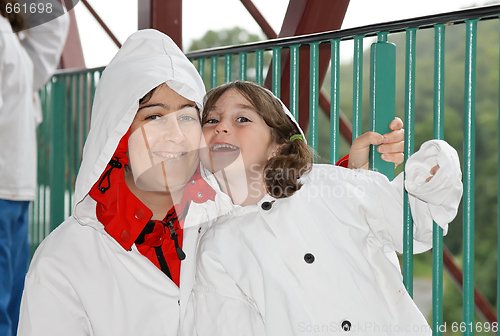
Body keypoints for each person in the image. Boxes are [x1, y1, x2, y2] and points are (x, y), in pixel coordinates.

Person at [17, 29, 404, 335]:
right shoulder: (63, 262)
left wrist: (347, 174)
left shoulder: (218, 207)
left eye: (188, 117)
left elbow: (279, 205)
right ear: (116, 137)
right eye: (153, 117)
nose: (175, 134)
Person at [184, 81, 463, 336]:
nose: (221, 127)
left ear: (279, 144)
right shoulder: (215, 247)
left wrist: (429, 177)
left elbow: (413, 226)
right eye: (211, 119)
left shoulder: (331, 184)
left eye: (242, 119)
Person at [0, 2, 68, 335]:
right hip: (14, 183)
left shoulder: (10, 40)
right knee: (10, 300)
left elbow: (51, 20)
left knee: (9, 300)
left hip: (11, 185)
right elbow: (53, 21)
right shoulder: (12, 42)